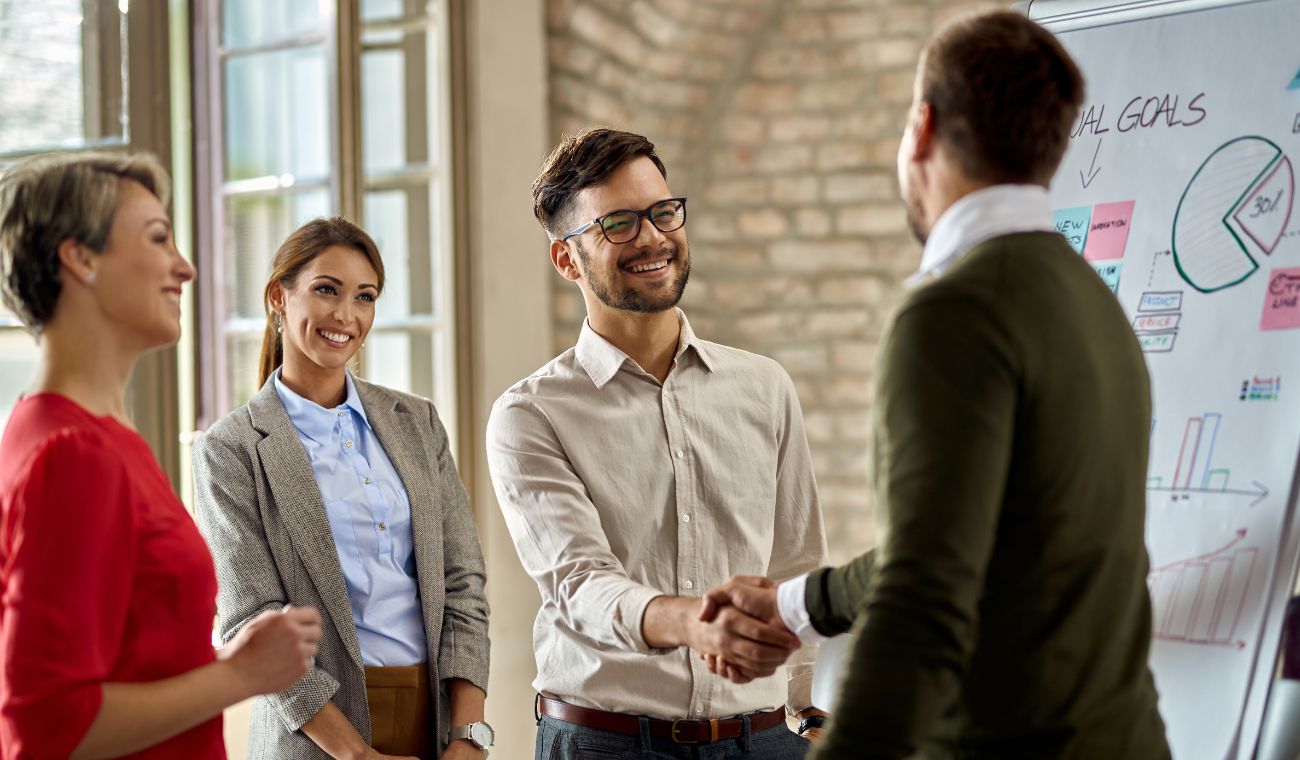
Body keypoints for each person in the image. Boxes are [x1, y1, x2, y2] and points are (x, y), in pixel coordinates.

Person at [703, 10, 1173, 759]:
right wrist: (795, 606)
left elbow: (924, 596)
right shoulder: (1094, 306)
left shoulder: (953, 312)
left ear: (920, 128)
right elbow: (960, 540)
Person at [486, 127, 829, 760]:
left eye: (663, 211)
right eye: (617, 223)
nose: (652, 237)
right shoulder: (530, 415)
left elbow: (796, 560)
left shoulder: (764, 387)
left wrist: (803, 704)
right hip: (606, 744)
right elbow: (581, 583)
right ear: (566, 258)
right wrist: (697, 624)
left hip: (766, 741)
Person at [0, 151, 321, 759]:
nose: (187, 267)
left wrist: (232, 661)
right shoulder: (72, 454)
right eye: (158, 238)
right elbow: (44, 728)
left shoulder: (69, 430)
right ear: (81, 257)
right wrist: (242, 677)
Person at [193, 218, 491, 760]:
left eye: (365, 297)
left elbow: (462, 583)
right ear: (278, 298)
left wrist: (469, 737)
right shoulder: (231, 448)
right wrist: (354, 754)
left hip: (438, 722)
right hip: (314, 739)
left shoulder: (415, 421)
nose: (346, 316)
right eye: (326, 290)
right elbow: (251, 617)